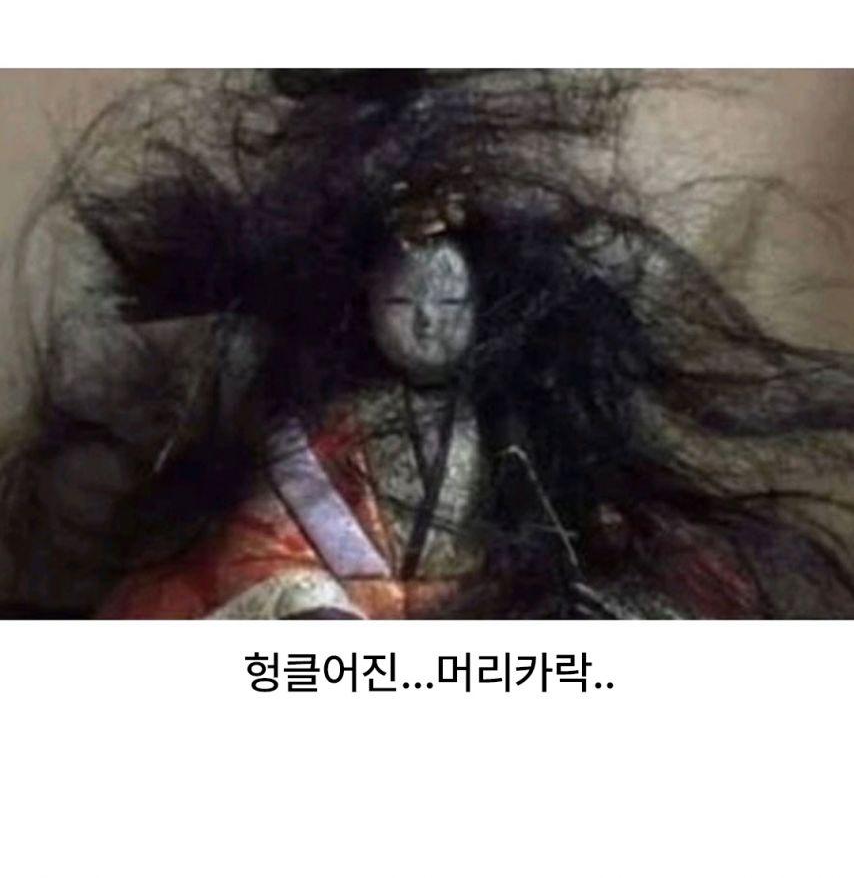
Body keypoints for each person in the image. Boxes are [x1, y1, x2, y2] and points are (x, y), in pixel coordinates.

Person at [5, 68, 854, 618]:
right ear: (365, 305)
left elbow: (566, 519)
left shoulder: (508, 411)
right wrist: (309, 605)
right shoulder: (330, 426)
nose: (426, 321)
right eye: (405, 301)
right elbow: (265, 537)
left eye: (448, 303)